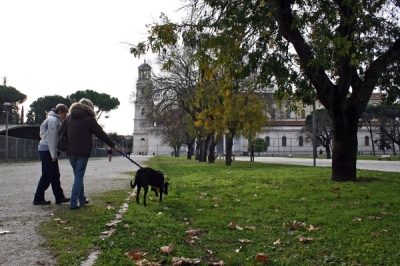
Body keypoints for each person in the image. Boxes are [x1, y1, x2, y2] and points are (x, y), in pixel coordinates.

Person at [63, 98, 117, 210]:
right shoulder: (89, 119)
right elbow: (101, 134)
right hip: (83, 151)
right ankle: (73, 203)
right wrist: (113, 145)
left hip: (70, 151)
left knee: (78, 175)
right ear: (90, 108)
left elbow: (61, 132)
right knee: (79, 176)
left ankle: (82, 199)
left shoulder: (69, 118)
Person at [33, 104, 70, 205]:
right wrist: (53, 154)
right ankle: (38, 198)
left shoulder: (51, 119)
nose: (65, 116)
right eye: (65, 114)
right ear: (60, 112)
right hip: (47, 150)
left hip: (47, 149)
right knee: (47, 175)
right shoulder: (53, 121)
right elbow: (52, 138)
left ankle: (59, 196)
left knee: (55, 175)